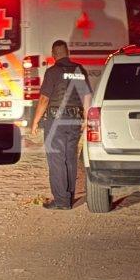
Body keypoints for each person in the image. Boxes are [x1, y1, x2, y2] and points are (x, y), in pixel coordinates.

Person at [28, 40, 92, 209]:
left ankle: (62, 201)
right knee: (70, 159)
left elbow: (44, 99)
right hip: (75, 120)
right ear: (68, 52)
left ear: (54, 54)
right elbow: (86, 97)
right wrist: (86, 118)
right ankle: (68, 197)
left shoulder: (53, 72)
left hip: (57, 120)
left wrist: (35, 121)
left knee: (56, 160)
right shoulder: (80, 71)